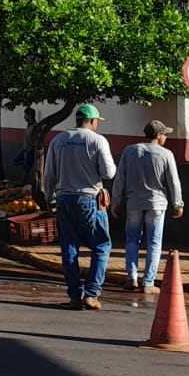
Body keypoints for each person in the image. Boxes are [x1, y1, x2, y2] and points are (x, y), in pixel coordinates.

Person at [42, 104, 116, 310]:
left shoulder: (58, 140)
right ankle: (92, 294)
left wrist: (50, 198)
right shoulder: (97, 141)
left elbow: (49, 175)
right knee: (102, 245)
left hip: (64, 199)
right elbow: (109, 173)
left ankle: (75, 295)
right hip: (89, 199)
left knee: (69, 247)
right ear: (92, 122)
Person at [111, 120, 184, 296]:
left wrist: (115, 200)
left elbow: (120, 177)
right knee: (154, 243)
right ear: (158, 135)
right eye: (164, 133)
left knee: (131, 240)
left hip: (134, 203)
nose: (166, 137)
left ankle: (132, 277)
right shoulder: (166, 154)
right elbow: (173, 181)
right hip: (157, 204)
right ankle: (148, 281)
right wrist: (178, 203)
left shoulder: (130, 151)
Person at [21, 107, 48, 197]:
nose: (24, 117)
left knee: (29, 169)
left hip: (31, 150)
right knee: (25, 168)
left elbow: (34, 140)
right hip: (26, 149)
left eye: (26, 115)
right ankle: (24, 184)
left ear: (30, 116)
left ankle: (28, 185)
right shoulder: (29, 125)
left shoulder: (34, 127)